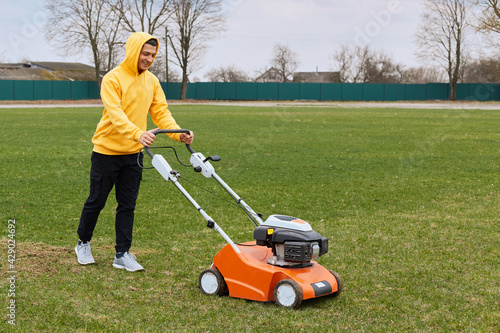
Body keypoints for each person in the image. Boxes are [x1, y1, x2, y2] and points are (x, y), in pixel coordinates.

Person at [75, 32, 193, 272]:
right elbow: (117, 116)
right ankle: (83, 242)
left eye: (152, 55)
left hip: (134, 155)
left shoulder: (152, 81)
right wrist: (138, 133)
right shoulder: (112, 79)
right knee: (96, 201)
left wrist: (177, 134)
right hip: (106, 152)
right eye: (145, 53)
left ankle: (122, 253)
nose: (149, 59)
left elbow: (161, 113)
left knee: (127, 204)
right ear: (133, 51)